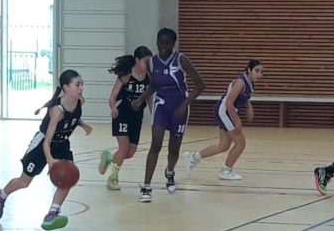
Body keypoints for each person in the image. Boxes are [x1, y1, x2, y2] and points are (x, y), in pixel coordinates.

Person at [0, 70, 93, 231]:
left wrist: (82, 124)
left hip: (62, 144)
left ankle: (52, 213)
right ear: (66, 87)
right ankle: (1, 195)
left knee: (67, 177)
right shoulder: (57, 111)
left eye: (82, 84)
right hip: (42, 144)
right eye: (77, 84)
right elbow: (46, 142)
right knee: (24, 181)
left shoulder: (80, 101)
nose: (81, 88)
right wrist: (50, 160)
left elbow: (73, 117)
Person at [132, 28, 206, 203]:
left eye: (167, 43)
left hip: (179, 105)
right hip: (162, 105)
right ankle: (146, 186)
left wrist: (184, 105)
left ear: (173, 44)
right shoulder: (151, 62)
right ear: (156, 42)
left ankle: (170, 172)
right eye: (160, 42)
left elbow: (200, 85)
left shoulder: (181, 60)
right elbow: (153, 85)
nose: (163, 46)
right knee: (156, 143)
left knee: (174, 149)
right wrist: (141, 99)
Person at [186, 60, 264, 180]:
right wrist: (237, 121)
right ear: (249, 70)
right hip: (224, 112)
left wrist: (249, 106)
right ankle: (226, 171)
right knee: (241, 143)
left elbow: (243, 97)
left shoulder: (250, 83)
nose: (259, 74)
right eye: (256, 71)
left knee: (223, 146)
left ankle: (193, 157)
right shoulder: (240, 82)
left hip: (227, 112)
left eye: (261, 72)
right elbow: (228, 103)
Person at [98, 47, 152, 190]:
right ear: (137, 60)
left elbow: (150, 97)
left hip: (137, 116)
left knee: (130, 153)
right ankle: (113, 178)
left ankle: (109, 157)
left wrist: (155, 114)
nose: (148, 64)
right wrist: (113, 108)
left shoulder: (149, 77)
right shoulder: (126, 75)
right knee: (124, 148)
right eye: (145, 61)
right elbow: (112, 97)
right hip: (122, 114)